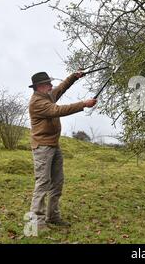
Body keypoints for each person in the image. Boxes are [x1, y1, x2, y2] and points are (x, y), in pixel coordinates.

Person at [28, 71, 97, 232]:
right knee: (43, 183)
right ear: (40, 87)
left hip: (54, 145)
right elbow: (58, 110)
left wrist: (74, 76)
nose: (51, 86)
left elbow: (61, 88)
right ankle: (36, 223)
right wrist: (83, 104)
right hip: (42, 148)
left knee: (57, 182)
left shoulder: (47, 95)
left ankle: (52, 216)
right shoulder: (37, 102)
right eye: (48, 84)